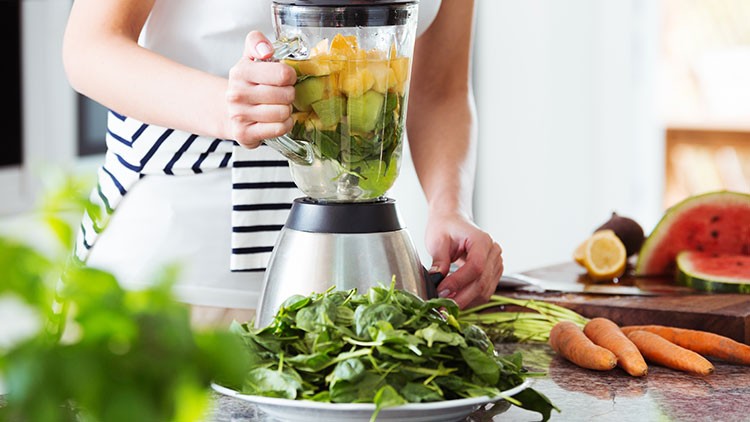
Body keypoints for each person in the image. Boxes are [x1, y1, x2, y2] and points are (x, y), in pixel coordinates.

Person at [62, 0, 503, 327]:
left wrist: (450, 207)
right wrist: (226, 105)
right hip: (174, 286)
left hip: (354, 289)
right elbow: (88, 49)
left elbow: (439, 88)